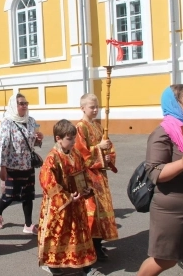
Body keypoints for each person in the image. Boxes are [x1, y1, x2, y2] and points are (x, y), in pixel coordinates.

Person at [137, 84, 183, 275]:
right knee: (166, 260)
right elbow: (155, 172)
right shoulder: (163, 132)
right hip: (172, 211)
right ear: (175, 103)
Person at [38, 119, 103, 276]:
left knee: (80, 234)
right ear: (58, 138)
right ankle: (53, 265)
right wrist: (67, 197)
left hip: (77, 202)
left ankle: (86, 266)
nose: (73, 141)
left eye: (74, 138)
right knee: (58, 235)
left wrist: (86, 188)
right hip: (58, 206)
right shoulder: (52, 158)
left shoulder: (75, 154)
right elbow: (47, 182)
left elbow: (83, 173)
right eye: (69, 139)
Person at [74, 93, 118, 261]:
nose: (95, 110)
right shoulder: (80, 127)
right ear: (83, 107)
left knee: (102, 211)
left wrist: (107, 156)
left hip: (100, 175)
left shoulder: (99, 127)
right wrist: (99, 148)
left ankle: (98, 244)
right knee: (91, 212)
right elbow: (80, 153)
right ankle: (91, 245)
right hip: (89, 177)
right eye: (92, 107)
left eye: (96, 106)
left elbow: (109, 146)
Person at [0, 93, 43, 234]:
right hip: (13, 165)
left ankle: (28, 225)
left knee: (28, 195)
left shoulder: (31, 120)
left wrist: (39, 139)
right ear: (14, 105)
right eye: (21, 103)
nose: (25, 106)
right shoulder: (7, 122)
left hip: (28, 164)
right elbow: (3, 146)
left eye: (26, 103)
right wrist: (3, 167)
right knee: (10, 195)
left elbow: (34, 142)